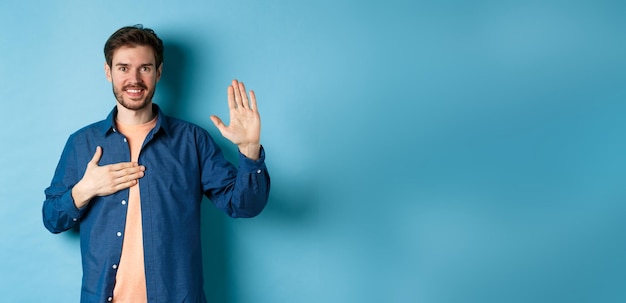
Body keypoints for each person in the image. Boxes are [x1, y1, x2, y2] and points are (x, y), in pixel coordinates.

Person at [42, 24, 270, 303]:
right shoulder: (82, 144)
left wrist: (249, 150)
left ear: (158, 73)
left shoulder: (193, 141)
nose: (134, 79)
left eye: (145, 68)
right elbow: (52, 219)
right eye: (123, 68)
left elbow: (243, 206)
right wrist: (83, 191)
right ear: (108, 72)